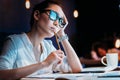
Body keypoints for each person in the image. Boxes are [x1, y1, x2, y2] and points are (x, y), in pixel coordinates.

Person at [0, 0, 83, 80]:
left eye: (60, 20)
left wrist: (61, 33)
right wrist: (44, 64)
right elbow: (1, 74)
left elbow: (76, 68)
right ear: (37, 15)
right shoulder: (15, 42)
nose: (56, 23)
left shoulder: (48, 47)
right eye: (53, 15)